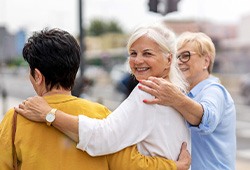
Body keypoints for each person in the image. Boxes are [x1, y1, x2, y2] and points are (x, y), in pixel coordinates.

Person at [0, 28, 190, 170]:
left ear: (38, 76)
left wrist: (49, 115)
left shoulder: (16, 118)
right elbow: (130, 164)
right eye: (133, 53)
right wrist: (173, 166)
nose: (138, 60)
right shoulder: (100, 114)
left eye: (147, 53)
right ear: (74, 71)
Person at [138, 32, 236, 169]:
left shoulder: (214, 90)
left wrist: (175, 98)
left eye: (185, 56)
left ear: (206, 61)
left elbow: (208, 119)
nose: (178, 62)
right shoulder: (187, 94)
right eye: (177, 57)